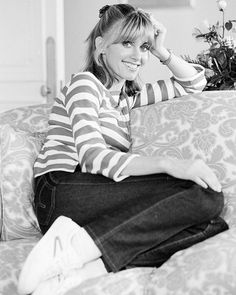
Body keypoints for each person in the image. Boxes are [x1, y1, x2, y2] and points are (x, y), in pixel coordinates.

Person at [18, 3, 228, 295]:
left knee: (211, 221)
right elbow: (92, 158)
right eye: (127, 43)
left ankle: (85, 268)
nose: (138, 55)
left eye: (143, 46)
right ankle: (68, 246)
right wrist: (169, 163)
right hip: (60, 191)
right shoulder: (85, 85)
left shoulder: (125, 100)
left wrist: (161, 50)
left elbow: (194, 82)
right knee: (203, 196)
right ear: (100, 45)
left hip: (95, 195)